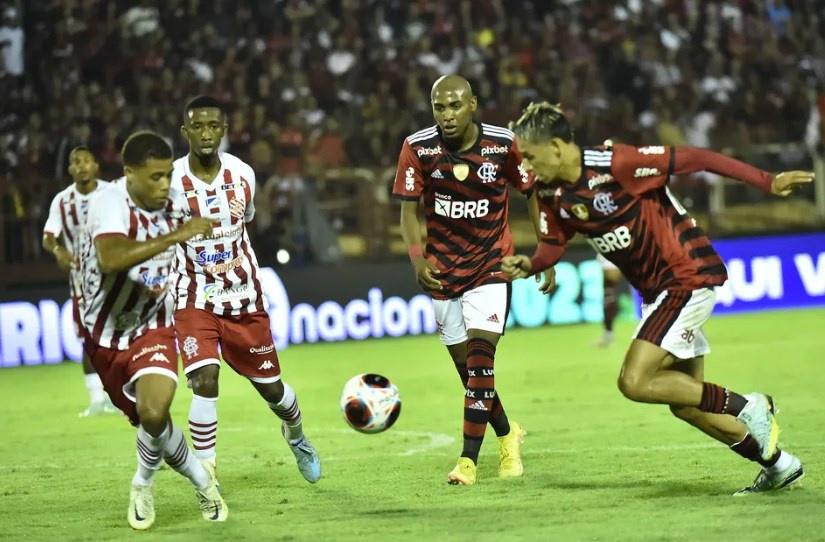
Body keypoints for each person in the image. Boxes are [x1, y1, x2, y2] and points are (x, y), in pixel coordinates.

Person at [503, 102, 812, 495]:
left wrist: (767, 181)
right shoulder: (551, 192)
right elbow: (552, 244)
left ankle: (750, 406)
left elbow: (696, 157)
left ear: (559, 146)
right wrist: (530, 264)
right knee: (686, 403)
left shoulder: (619, 163)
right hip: (659, 292)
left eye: (530, 155)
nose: (526, 165)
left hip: (686, 275)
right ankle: (779, 465)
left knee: (634, 380)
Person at [392, 75, 553, 486]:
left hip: (492, 267)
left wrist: (546, 251)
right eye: (439, 107)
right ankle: (507, 433)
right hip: (444, 273)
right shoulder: (417, 148)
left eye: (455, 106)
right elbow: (409, 212)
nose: (447, 115)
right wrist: (416, 258)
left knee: (482, 359)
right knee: (470, 374)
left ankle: (467, 461)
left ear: (473, 105)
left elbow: (533, 192)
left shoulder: (503, 144)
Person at [78, 131, 227, 529]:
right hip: (105, 332)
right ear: (129, 174)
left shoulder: (174, 202)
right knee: (151, 423)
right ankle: (198, 473)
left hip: (154, 325)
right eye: (155, 177)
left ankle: (146, 483)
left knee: (154, 409)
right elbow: (111, 258)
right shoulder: (107, 203)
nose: (164, 185)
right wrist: (177, 235)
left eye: (167, 176)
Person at [171, 95, 320, 486]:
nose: (205, 134)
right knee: (204, 380)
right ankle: (206, 476)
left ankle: (297, 436)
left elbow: (246, 225)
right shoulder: (170, 182)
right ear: (185, 132)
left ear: (224, 129)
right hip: (193, 296)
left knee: (273, 390)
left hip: (243, 297)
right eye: (197, 127)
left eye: (213, 126)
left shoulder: (243, 175)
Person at [42, 146, 116, 416]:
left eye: (87, 160)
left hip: (116, 280)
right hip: (83, 285)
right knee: (90, 340)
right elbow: (49, 235)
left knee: (123, 338)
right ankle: (97, 400)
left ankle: (120, 395)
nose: (82, 166)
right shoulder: (62, 201)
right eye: (76, 162)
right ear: (70, 168)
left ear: (96, 165)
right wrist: (60, 251)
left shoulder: (112, 193)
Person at [595, 253, 621, 348]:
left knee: (609, 293)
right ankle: (608, 334)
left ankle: (608, 334)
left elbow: (612, 276)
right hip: (607, 248)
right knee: (608, 294)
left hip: (614, 249)